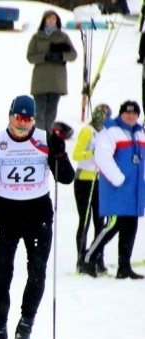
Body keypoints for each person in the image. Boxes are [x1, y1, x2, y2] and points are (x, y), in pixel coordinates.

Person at [0, 95, 74, 339]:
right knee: (3, 273)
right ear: (10, 115)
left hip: (38, 214)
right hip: (6, 213)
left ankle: (25, 328)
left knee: (37, 271)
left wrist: (60, 153)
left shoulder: (43, 139)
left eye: (27, 119)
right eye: (18, 117)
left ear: (34, 119)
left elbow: (67, 177)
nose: (22, 124)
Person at [84, 100, 145, 280]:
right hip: (117, 188)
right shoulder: (111, 131)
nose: (131, 116)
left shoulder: (139, 133)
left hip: (134, 190)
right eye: (127, 112)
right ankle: (88, 258)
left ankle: (124, 266)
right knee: (112, 226)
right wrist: (118, 179)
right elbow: (102, 157)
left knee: (130, 227)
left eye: (134, 113)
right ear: (121, 113)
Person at [72, 104, 111, 274]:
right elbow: (76, 155)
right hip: (84, 180)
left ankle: (97, 257)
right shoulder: (88, 131)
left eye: (104, 117)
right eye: (99, 116)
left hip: (100, 181)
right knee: (85, 220)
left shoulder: (106, 133)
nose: (101, 120)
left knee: (100, 222)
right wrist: (92, 153)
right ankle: (81, 258)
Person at [26, 10, 77, 133]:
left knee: (51, 114)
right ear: (44, 20)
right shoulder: (36, 37)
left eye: (53, 18)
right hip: (40, 81)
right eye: (48, 18)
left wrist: (61, 56)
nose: (51, 20)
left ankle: (48, 140)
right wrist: (45, 57)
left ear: (57, 21)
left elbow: (73, 55)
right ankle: (39, 140)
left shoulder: (63, 37)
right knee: (39, 113)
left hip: (57, 81)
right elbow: (30, 57)